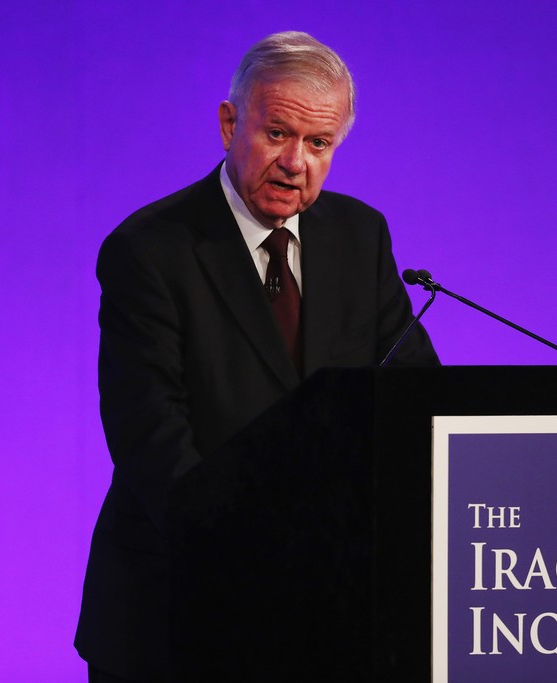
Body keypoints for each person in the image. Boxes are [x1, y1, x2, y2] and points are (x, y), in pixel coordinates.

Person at [74, 31, 438, 682]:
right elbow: (149, 431)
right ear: (228, 124)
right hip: (175, 609)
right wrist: (257, 549)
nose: (296, 162)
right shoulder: (150, 250)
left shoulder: (361, 237)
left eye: (319, 144)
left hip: (327, 610)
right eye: (277, 133)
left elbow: (413, 397)